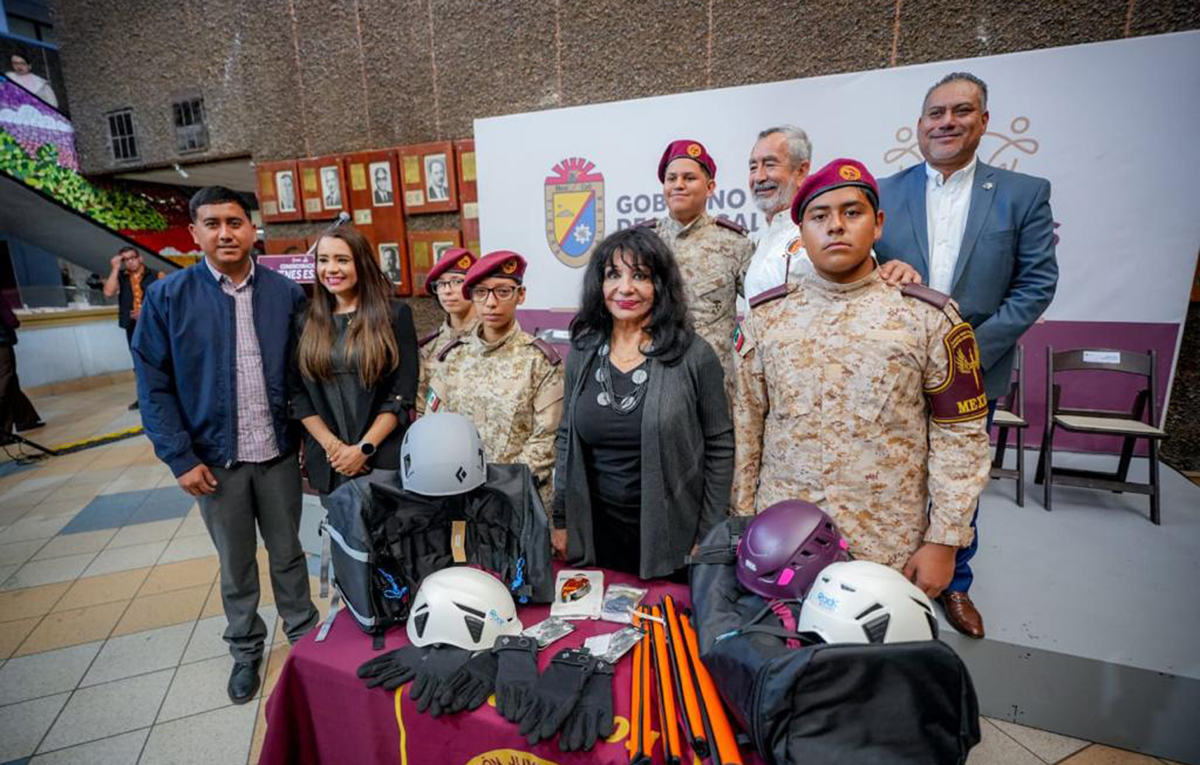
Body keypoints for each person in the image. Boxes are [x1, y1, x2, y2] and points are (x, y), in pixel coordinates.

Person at [732, 158, 991, 607]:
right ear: (801, 234)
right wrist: (742, 521)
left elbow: (961, 436)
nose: (835, 225)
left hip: (886, 545)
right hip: (783, 538)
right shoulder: (766, 319)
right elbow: (746, 425)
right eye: (819, 216)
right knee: (779, 641)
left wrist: (945, 540)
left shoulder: (926, 317)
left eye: (852, 212)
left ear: (878, 224)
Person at [874, 72, 1058, 638]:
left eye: (961, 111)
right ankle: (887, 572)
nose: (947, 122)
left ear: (983, 121)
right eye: (936, 113)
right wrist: (880, 270)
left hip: (974, 368)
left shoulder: (1023, 193)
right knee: (894, 470)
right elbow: (856, 268)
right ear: (919, 125)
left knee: (959, 480)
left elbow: (1036, 284)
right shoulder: (882, 193)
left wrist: (964, 352)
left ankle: (956, 582)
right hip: (895, 368)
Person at [132, 186, 319, 704]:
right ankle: (245, 648)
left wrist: (309, 438)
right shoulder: (169, 298)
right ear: (195, 233)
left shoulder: (285, 294)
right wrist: (180, 457)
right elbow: (153, 385)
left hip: (278, 453)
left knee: (289, 553)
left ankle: (303, 636)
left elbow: (304, 373)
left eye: (234, 222)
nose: (225, 233)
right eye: (212, 224)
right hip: (215, 462)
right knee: (236, 562)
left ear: (252, 229)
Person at [553, 227, 733, 579]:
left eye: (640, 276)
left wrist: (709, 533)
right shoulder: (582, 352)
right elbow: (566, 438)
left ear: (661, 286)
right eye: (613, 275)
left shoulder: (695, 355)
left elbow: (720, 446)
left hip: (673, 535)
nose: (625, 288)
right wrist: (561, 519)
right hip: (596, 534)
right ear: (599, 284)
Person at [425, 251, 563, 505]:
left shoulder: (540, 361)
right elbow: (433, 428)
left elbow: (546, 441)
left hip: (518, 500)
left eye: (503, 291)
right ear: (471, 296)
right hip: (460, 499)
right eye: (481, 292)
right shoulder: (452, 357)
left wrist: (497, 489)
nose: (490, 303)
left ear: (521, 295)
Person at [290, 226, 418, 498]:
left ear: (361, 263)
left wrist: (363, 449)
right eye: (323, 260)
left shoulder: (394, 315)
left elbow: (402, 393)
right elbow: (298, 394)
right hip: (330, 460)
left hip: (381, 458)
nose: (331, 269)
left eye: (342, 260)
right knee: (338, 525)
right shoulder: (304, 320)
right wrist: (335, 449)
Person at [742, 125, 921, 311]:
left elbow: (863, 285)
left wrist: (895, 271)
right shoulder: (758, 239)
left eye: (770, 165)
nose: (759, 177)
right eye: (753, 167)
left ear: (801, 171)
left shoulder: (822, 235)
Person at [645, 139, 752, 402]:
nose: (678, 185)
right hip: (651, 383)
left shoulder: (735, 244)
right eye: (671, 178)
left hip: (713, 388)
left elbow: (762, 314)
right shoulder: (642, 243)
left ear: (710, 187)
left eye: (689, 178)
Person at [415, 247, 478, 415]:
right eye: (441, 284)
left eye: (457, 281)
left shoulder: (491, 340)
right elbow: (421, 408)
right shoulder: (429, 347)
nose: (447, 291)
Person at [103, 246, 161, 410]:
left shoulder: (156, 275)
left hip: (153, 325)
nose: (130, 262)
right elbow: (108, 292)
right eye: (125, 260)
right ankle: (144, 396)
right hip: (132, 326)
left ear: (140, 258)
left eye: (132, 258)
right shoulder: (121, 277)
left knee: (159, 358)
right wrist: (115, 268)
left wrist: (146, 312)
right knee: (138, 362)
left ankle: (164, 394)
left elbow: (166, 300)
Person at [0, 297, 44, 436]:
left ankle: (26, 419)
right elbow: (10, 319)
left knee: (10, 382)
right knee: (5, 384)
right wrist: (14, 321)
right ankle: (3, 432)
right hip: (1, 345)